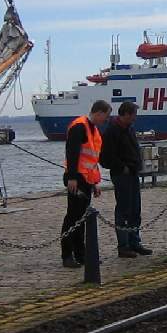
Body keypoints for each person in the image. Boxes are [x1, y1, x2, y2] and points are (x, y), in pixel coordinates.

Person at [100, 100, 152, 257]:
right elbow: (105, 157)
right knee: (124, 210)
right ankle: (123, 245)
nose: (135, 118)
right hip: (122, 175)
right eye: (133, 115)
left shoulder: (129, 129)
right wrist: (123, 167)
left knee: (135, 209)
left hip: (133, 174)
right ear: (126, 114)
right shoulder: (112, 131)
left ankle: (134, 242)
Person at [61, 100, 109, 268]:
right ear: (99, 112)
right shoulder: (80, 127)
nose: (106, 120)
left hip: (86, 179)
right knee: (73, 217)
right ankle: (67, 254)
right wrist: (72, 177)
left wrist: (95, 183)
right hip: (77, 178)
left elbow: (92, 160)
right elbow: (72, 153)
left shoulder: (93, 130)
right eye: (106, 116)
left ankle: (81, 254)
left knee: (81, 219)